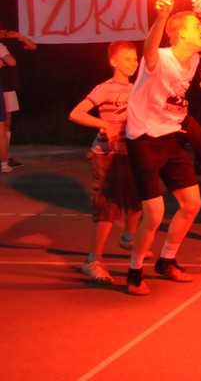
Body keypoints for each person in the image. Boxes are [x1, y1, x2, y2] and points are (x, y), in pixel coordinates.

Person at [123, 0, 201, 296]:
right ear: (181, 33)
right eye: (196, 26)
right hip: (144, 138)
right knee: (155, 214)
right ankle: (134, 272)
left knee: (192, 203)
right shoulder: (159, 58)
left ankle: (167, 260)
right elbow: (149, 51)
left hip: (170, 135)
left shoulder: (194, 60)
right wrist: (161, 17)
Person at [69, 41, 144, 284]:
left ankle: (129, 238)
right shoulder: (105, 89)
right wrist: (105, 125)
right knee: (107, 207)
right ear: (113, 61)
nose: (133, 63)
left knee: (138, 201)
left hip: (129, 154)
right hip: (105, 155)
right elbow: (76, 113)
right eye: (127, 59)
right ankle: (93, 260)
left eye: (135, 58)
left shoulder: (138, 88)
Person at [0, 26, 37, 163]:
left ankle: (5, 155)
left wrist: (19, 36)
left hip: (9, 86)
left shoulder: (10, 44)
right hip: (1, 85)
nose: (4, 33)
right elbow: (11, 62)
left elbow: (33, 47)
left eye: (5, 31)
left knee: (7, 123)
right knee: (1, 123)